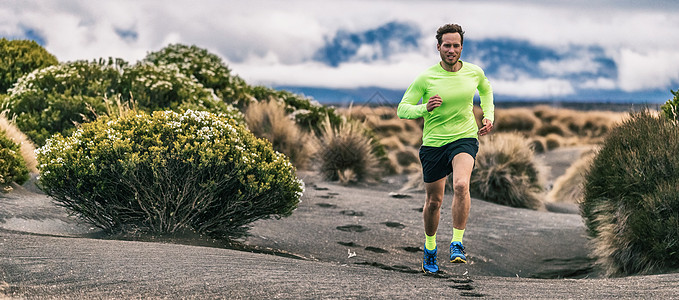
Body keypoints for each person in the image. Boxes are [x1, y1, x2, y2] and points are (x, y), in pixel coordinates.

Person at [397, 23, 494, 274]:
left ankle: (457, 243)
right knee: (434, 201)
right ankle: (430, 248)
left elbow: (486, 89)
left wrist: (488, 115)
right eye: (447, 45)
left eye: (456, 45)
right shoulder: (426, 77)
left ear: (462, 47)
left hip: (464, 138)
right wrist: (424, 108)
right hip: (433, 144)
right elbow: (402, 108)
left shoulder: (474, 72)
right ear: (438, 47)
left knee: (461, 185)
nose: (451, 50)